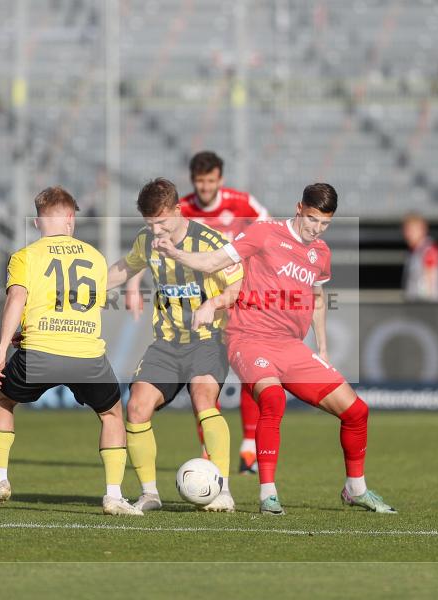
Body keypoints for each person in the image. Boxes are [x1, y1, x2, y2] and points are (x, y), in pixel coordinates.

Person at [153, 183, 397, 516]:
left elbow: (317, 298)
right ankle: (268, 494)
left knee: (357, 412)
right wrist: (177, 254)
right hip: (248, 336)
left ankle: (356, 489)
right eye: (312, 219)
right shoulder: (264, 233)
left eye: (325, 223)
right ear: (299, 208)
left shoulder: (321, 252)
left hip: (291, 346)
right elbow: (213, 262)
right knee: (273, 398)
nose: (317, 229)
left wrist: (322, 347)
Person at [0, 186, 142, 516]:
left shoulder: (25, 257)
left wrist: (3, 346)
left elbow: (17, 300)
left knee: (2, 399)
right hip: (87, 355)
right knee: (111, 415)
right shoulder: (93, 257)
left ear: (37, 222)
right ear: (69, 218)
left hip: (40, 353)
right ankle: (113, 495)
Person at [126, 151, 270, 474]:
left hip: (236, 293)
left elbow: (267, 235)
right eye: (199, 181)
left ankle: (249, 443)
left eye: (210, 180)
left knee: (251, 372)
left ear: (220, 179)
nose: (204, 187)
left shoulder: (242, 203)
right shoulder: (178, 209)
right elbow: (141, 255)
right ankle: (209, 455)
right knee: (200, 393)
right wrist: (133, 284)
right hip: (193, 307)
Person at [107, 178, 243, 512]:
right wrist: (87, 286)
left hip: (207, 339)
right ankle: (150, 493)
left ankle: (222, 490)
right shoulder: (146, 241)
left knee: (203, 397)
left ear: (178, 211)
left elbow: (238, 286)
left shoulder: (209, 240)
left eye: (162, 223)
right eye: (150, 224)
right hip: (166, 343)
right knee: (137, 406)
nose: (156, 231)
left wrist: (212, 305)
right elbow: (125, 268)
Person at [402, 213, 438, 302]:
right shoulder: (414, 251)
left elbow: (430, 281)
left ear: (422, 230)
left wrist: (426, 305)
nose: (408, 234)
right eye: (407, 230)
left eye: (412, 230)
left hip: (423, 304)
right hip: (414, 303)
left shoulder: (428, 250)